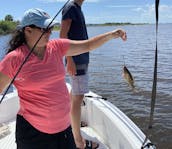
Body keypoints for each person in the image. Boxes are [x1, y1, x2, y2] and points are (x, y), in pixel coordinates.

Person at [0, 8, 127, 149]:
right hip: (33, 132)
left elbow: (88, 45)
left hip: (64, 128)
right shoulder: (14, 59)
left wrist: (112, 34)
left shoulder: (56, 47)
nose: (50, 32)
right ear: (28, 30)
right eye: (45, 29)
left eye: (51, 28)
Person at [59, 0, 98, 148]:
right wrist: (70, 60)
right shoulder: (70, 8)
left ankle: (70, 125)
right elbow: (62, 36)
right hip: (76, 61)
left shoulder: (77, 8)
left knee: (74, 95)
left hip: (80, 60)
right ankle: (78, 141)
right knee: (78, 97)